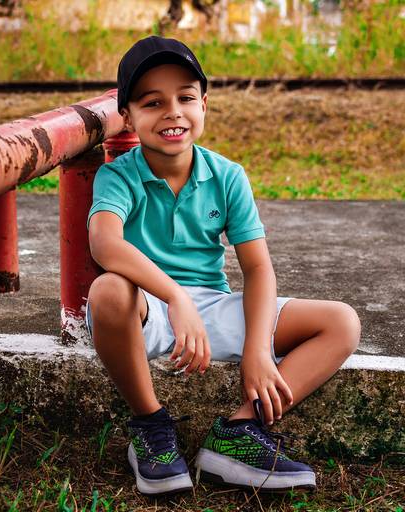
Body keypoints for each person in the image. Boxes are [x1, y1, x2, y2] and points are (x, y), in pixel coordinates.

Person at [86, 36, 361, 495]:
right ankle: (152, 426)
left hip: (211, 308)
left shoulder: (228, 175)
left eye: (185, 98)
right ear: (128, 117)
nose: (173, 112)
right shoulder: (118, 175)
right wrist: (174, 296)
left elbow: (258, 270)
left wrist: (257, 351)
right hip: (147, 309)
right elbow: (104, 243)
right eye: (153, 103)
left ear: (204, 105)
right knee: (108, 291)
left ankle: (237, 433)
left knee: (341, 322)